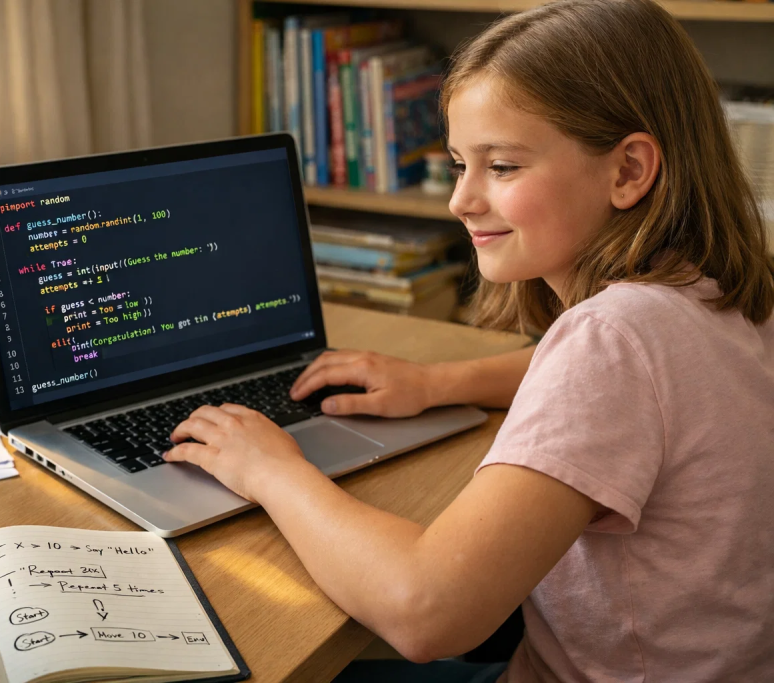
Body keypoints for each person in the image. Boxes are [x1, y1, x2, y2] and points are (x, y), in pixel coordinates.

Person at [164, 0, 774, 680]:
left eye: (502, 167)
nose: (460, 200)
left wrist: (270, 469)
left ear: (629, 170)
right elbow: (645, 388)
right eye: (458, 164)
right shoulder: (724, 288)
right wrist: (439, 382)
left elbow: (428, 613)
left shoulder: (612, 339)